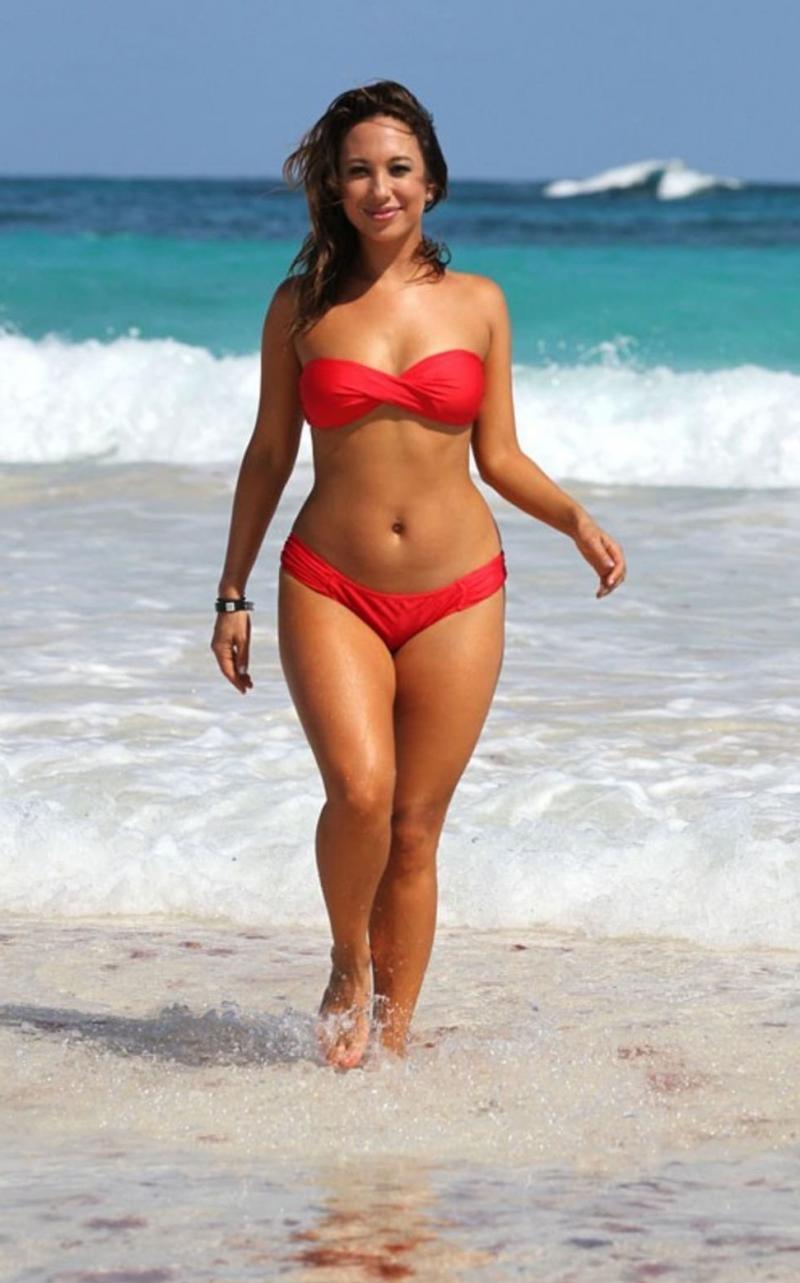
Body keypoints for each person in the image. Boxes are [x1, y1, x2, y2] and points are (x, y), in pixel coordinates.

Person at [211, 80, 626, 1072]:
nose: (378, 187)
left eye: (397, 167)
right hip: (330, 582)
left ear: (430, 181)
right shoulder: (301, 306)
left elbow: (499, 454)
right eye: (357, 170)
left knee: (414, 828)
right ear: (334, 187)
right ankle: (346, 960)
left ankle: (391, 1049)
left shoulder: (479, 303)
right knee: (360, 793)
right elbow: (269, 454)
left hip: (459, 589)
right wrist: (230, 593)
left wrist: (574, 517)